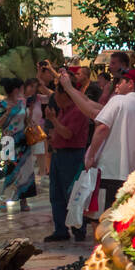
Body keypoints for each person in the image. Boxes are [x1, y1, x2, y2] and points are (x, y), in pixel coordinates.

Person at [85, 69, 135, 214]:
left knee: (101, 221)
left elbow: (102, 127)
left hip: (109, 172)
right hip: (133, 177)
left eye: (120, 82)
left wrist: (90, 156)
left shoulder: (118, 101)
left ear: (130, 84)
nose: (116, 86)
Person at [43, 83, 89, 243]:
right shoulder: (63, 111)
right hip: (59, 154)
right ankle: (60, 229)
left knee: (73, 192)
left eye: (57, 93)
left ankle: (78, 228)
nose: (55, 97)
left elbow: (68, 134)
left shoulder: (78, 111)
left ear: (65, 95)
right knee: (56, 193)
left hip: (72, 155)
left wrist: (53, 120)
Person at [0, 77, 35, 211]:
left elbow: (25, 120)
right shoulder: (1, 104)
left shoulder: (22, 103)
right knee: (10, 171)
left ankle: (23, 201)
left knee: (25, 170)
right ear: (17, 89)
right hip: (8, 141)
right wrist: (7, 113)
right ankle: (3, 199)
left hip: (23, 140)